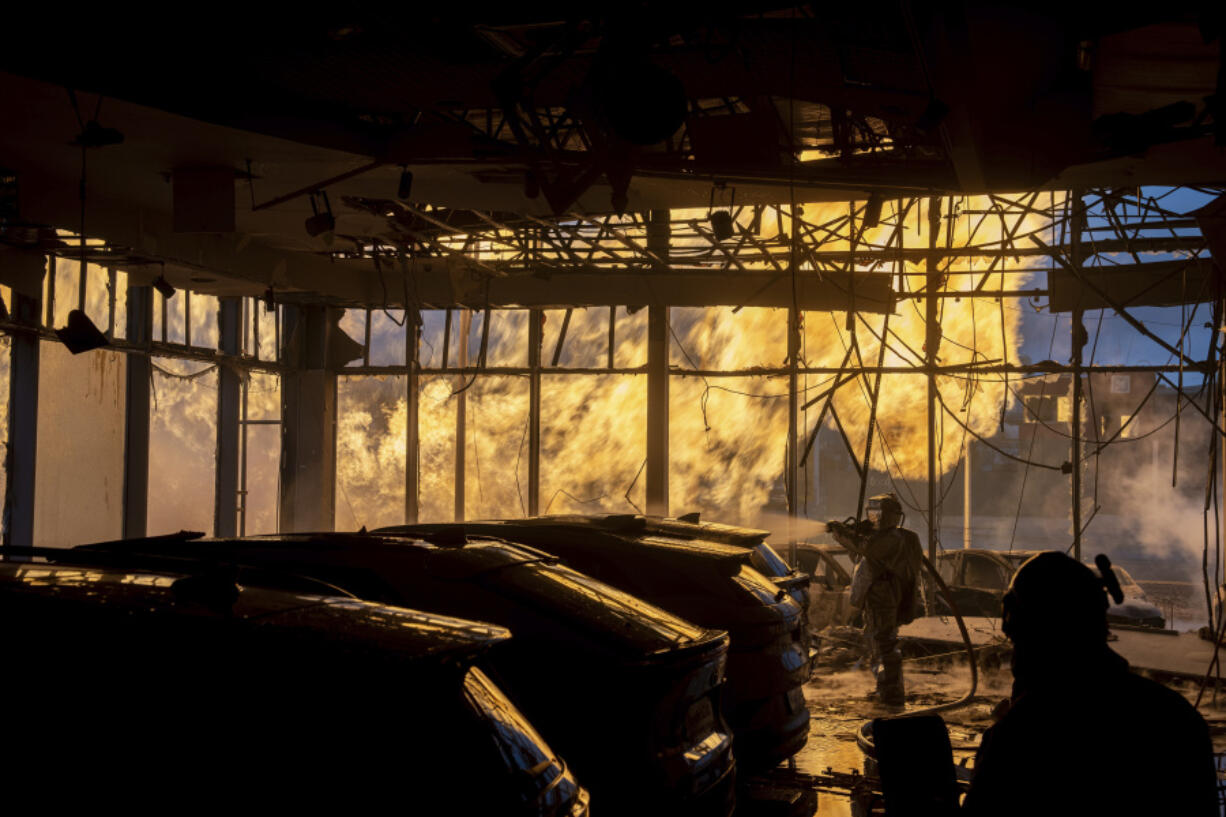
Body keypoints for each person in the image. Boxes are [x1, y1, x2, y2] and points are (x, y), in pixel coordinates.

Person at [962, 551, 1218, 816]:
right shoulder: (1176, 715)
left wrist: (1000, 735)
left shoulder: (1022, 735)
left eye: (1017, 639)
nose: (1014, 656)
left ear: (1037, 634)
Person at [827, 493, 923, 708]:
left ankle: (892, 695)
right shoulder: (884, 538)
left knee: (884, 645)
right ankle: (885, 689)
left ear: (887, 515)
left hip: (884, 599)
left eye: (876, 513)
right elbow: (860, 557)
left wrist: (840, 532)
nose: (872, 517)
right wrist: (855, 533)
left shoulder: (892, 539)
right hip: (876, 598)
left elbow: (865, 549)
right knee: (877, 645)